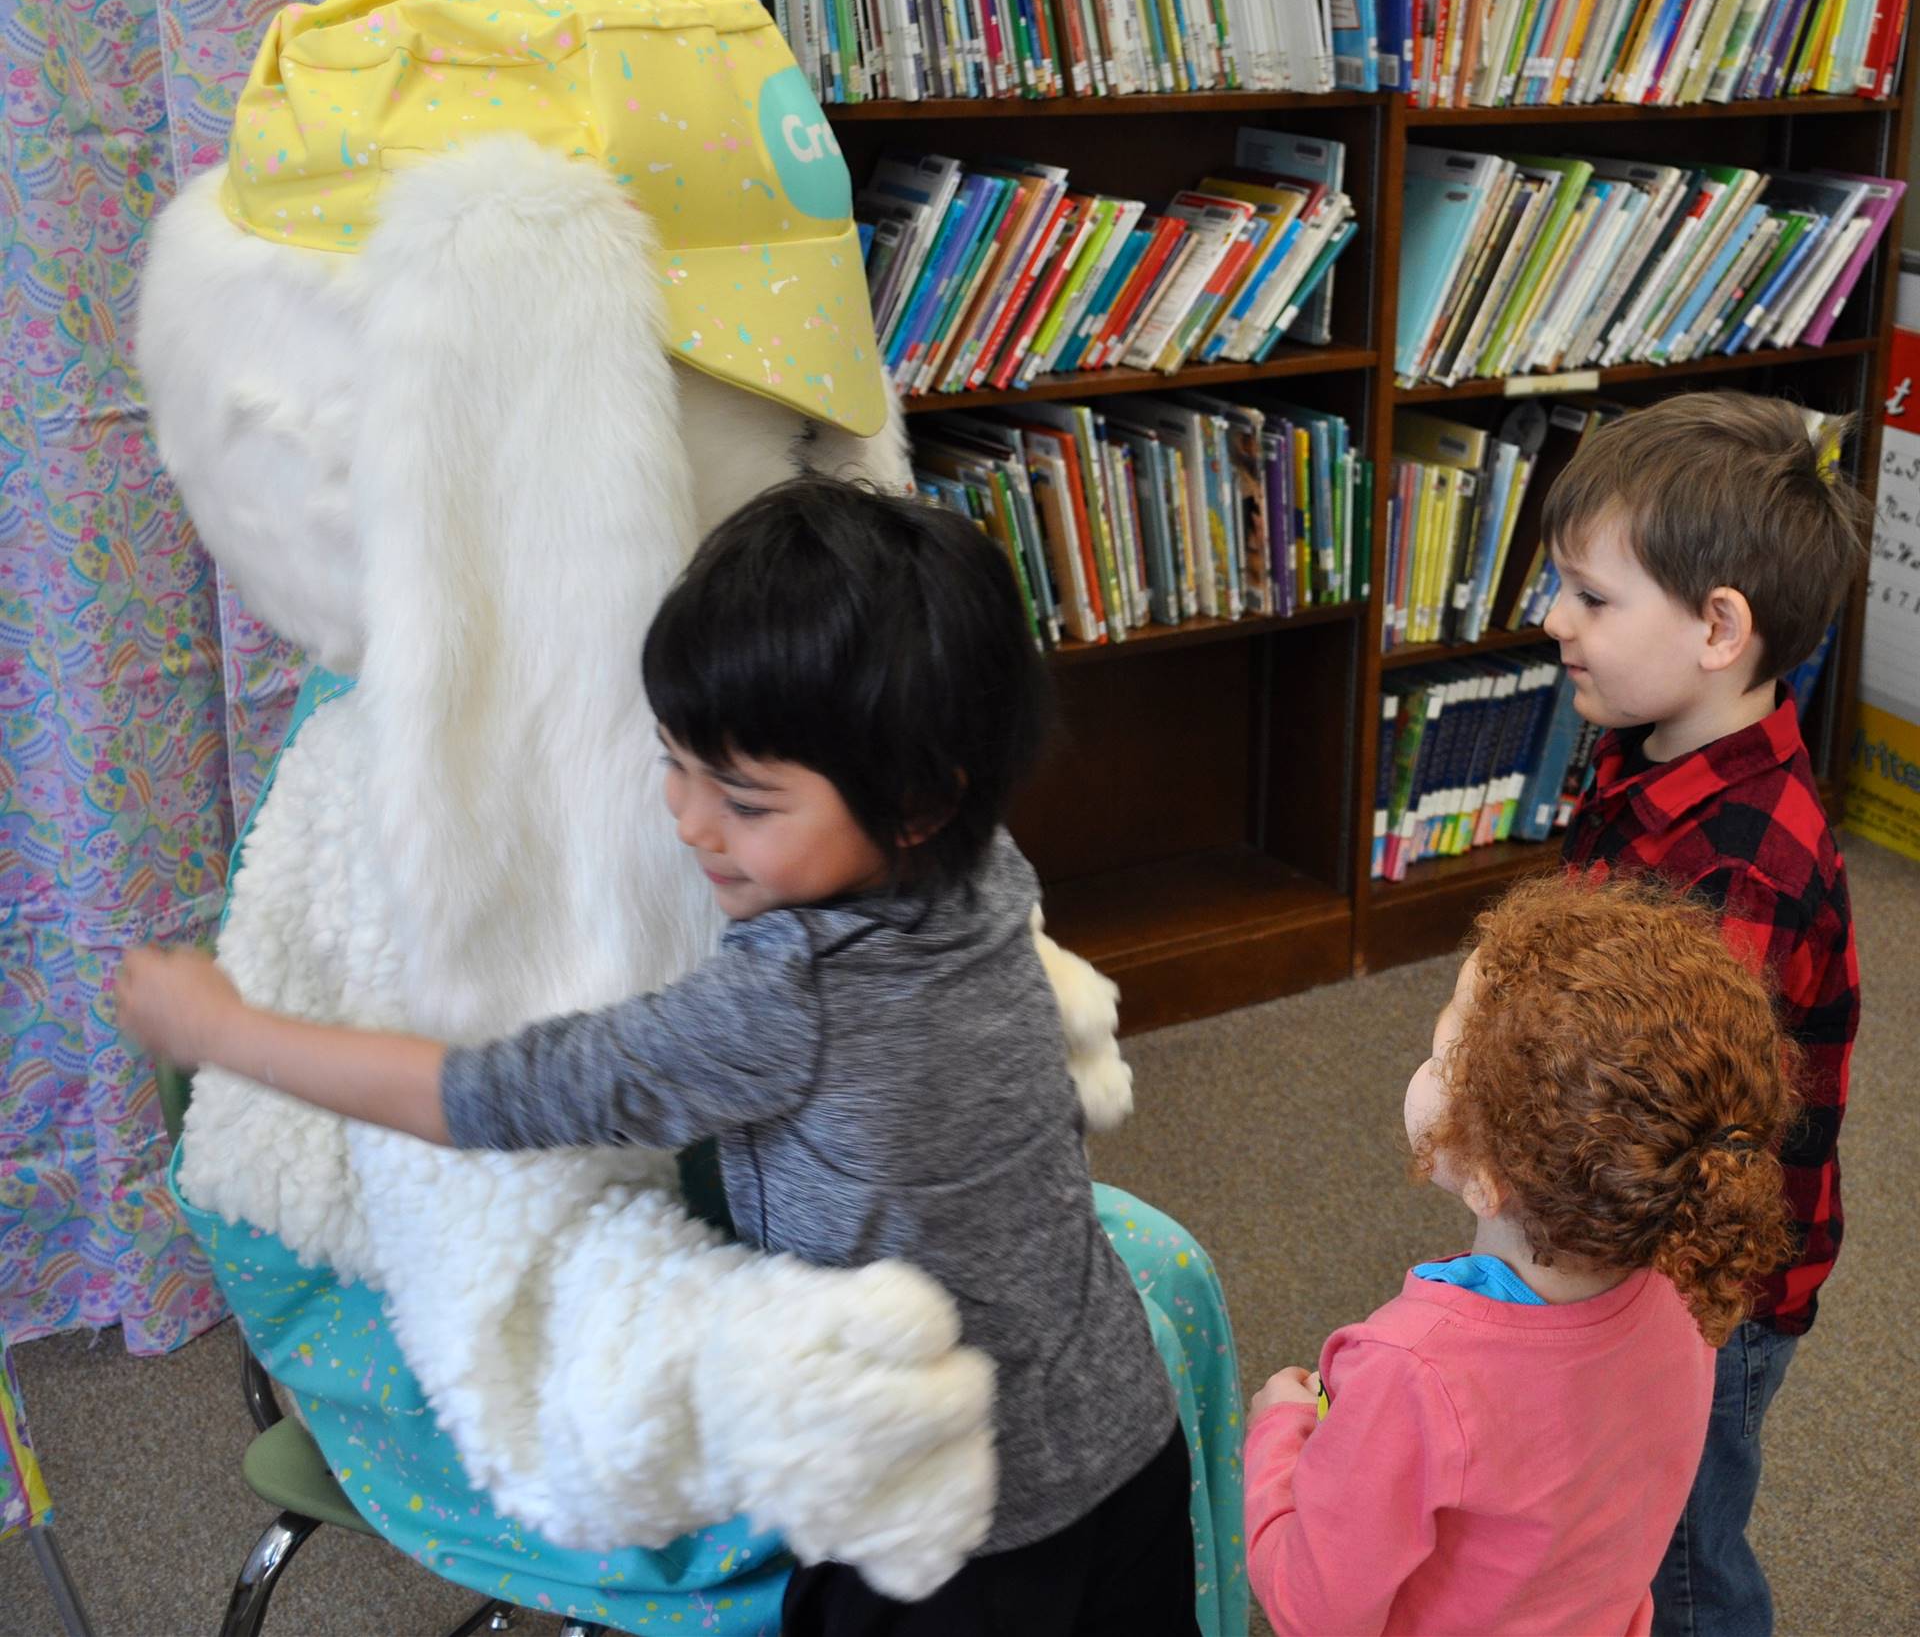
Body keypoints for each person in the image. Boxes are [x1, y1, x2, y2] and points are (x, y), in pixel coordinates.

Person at [117, 475, 1197, 1637]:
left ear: (920, 801)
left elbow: (483, 1096)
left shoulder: (790, 996)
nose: (687, 821)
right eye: (673, 762)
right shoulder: (991, 872)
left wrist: (233, 1033)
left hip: (950, 1530)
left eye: (745, 799)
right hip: (1128, 1432)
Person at [1245, 874, 1798, 1636]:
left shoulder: (1412, 1375)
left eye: (1443, 1058)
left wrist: (1277, 1436)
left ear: (1484, 1179)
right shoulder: (1683, 1278)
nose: (1427, 1063)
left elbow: (1315, 1611)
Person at [1541, 390, 1867, 1637]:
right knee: (1609, 1513)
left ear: (1718, 627)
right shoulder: (1647, 744)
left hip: (1706, 1298)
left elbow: (1667, 1128)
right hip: (1638, 1255)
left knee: (1680, 1556)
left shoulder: (1743, 866)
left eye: (1592, 596)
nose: (1557, 622)